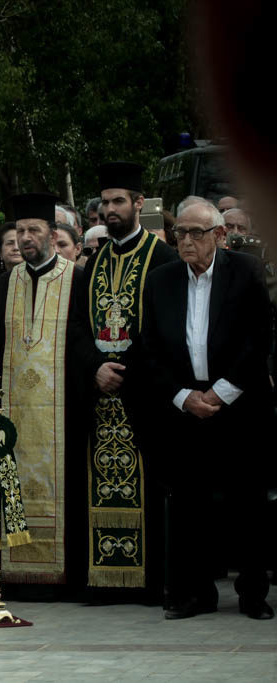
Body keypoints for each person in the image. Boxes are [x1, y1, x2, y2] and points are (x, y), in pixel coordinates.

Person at [135, 200, 272, 620]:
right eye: (181, 234)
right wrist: (183, 397)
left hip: (238, 404)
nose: (187, 241)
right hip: (184, 406)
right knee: (188, 505)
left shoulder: (245, 272)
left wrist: (221, 393)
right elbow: (150, 350)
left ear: (219, 235)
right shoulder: (160, 281)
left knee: (247, 502)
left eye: (197, 233)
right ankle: (193, 593)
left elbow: (258, 338)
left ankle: (252, 594)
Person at [75, 161, 178, 599]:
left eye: (120, 201)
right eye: (105, 203)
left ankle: (151, 582)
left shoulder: (165, 259)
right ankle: (104, 581)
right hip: (99, 397)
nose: (111, 210)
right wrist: (93, 368)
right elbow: (77, 329)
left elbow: (166, 329)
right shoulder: (92, 263)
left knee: (153, 488)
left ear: (139, 204)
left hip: (145, 396)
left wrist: (126, 369)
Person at [0, 193, 92, 595]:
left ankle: (68, 577)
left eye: (34, 230)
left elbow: (86, 339)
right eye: (19, 231)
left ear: (52, 234)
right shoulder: (2, 284)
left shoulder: (79, 278)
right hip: (15, 410)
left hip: (64, 411)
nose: (25, 238)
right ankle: (19, 577)